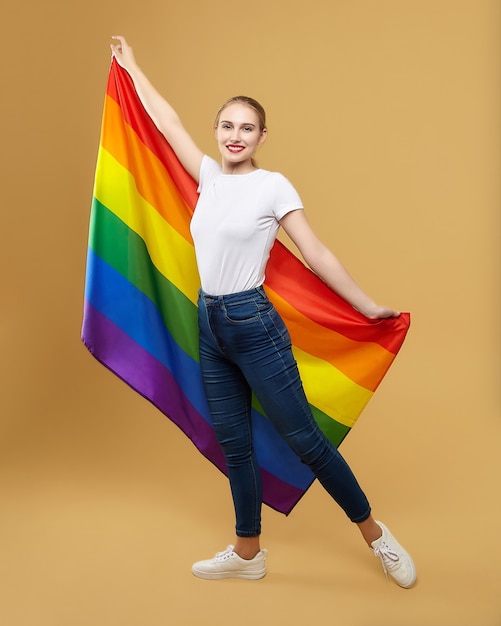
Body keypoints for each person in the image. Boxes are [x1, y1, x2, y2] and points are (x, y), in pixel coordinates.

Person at [110, 36, 417, 588]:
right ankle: (248, 551)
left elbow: (315, 253)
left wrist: (368, 306)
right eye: (227, 126)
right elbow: (167, 121)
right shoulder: (206, 177)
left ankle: (378, 536)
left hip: (254, 326)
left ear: (262, 137)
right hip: (211, 325)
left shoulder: (272, 187)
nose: (235, 136)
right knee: (235, 443)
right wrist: (133, 69)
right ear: (217, 132)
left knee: (305, 440)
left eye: (246, 128)